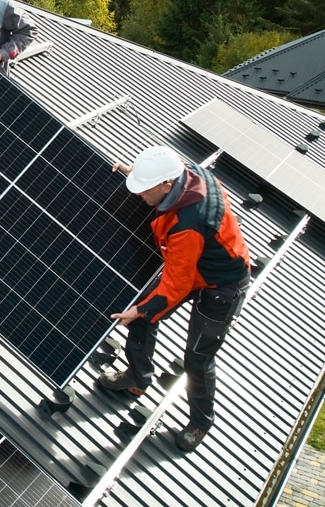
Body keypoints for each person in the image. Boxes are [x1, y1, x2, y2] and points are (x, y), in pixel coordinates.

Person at [96, 145, 252, 453]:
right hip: (195, 266)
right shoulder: (183, 173)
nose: (139, 195)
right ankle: (138, 377)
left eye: (144, 189)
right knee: (143, 314)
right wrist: (137, 175)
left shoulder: (188, 225)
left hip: (222, 285)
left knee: (197, 357)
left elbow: (176, 285)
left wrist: (142, 309)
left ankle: (201, 422)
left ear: (167, 185)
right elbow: (162, 172)